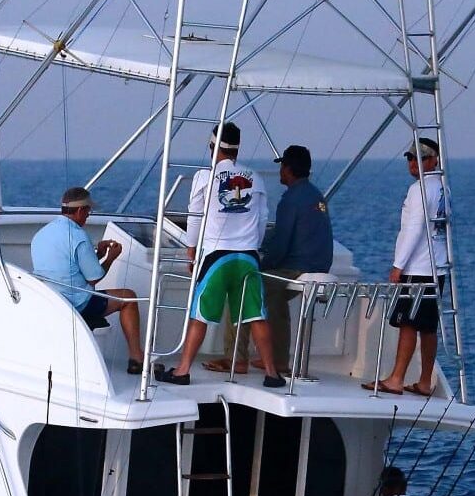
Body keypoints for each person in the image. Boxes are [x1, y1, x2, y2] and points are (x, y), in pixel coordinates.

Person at [156, 123, 285, 389]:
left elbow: (194, 218)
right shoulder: (256, 178)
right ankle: (272, 373)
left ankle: (182, 370)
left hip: (217, 258)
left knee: (200, 315)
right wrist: (251, 245)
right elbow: (262, 220)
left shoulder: (204, 177)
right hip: (248, 258)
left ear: (213, 147)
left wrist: (191, 251)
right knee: (256, 316)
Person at [206, 144, 333, 375]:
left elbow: (281, 244)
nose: (280, 171)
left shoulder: (291, 199)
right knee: (274, 297)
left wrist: (258, 265)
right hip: (319, 266)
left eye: (282, 166)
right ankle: (277, 359)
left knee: (242, 285)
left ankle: (236, 358)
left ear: (289, 169)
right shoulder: (316, 195)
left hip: (297, 268)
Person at [30, 186, 148, 375]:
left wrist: (98, 255)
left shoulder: (41, 234)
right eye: (87, 211)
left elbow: (68, 267)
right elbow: (94, 279)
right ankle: (136, 359)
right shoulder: (79, 236)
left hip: (51, 299)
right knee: (129, 298)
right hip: (76, 303)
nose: (87, 216)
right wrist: (111, 258)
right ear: (79, 210)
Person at [363, 138, 448, 397]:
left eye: (420, 158)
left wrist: (398, 265)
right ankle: (424, 381)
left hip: (417, 268)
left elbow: (414, 228)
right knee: (428, 327)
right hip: (437, 267)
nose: (413, 163)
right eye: (410, 158)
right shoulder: (442, 187)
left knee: (408, 323)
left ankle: (396, 379)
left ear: (434, 160)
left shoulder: (419, 190)